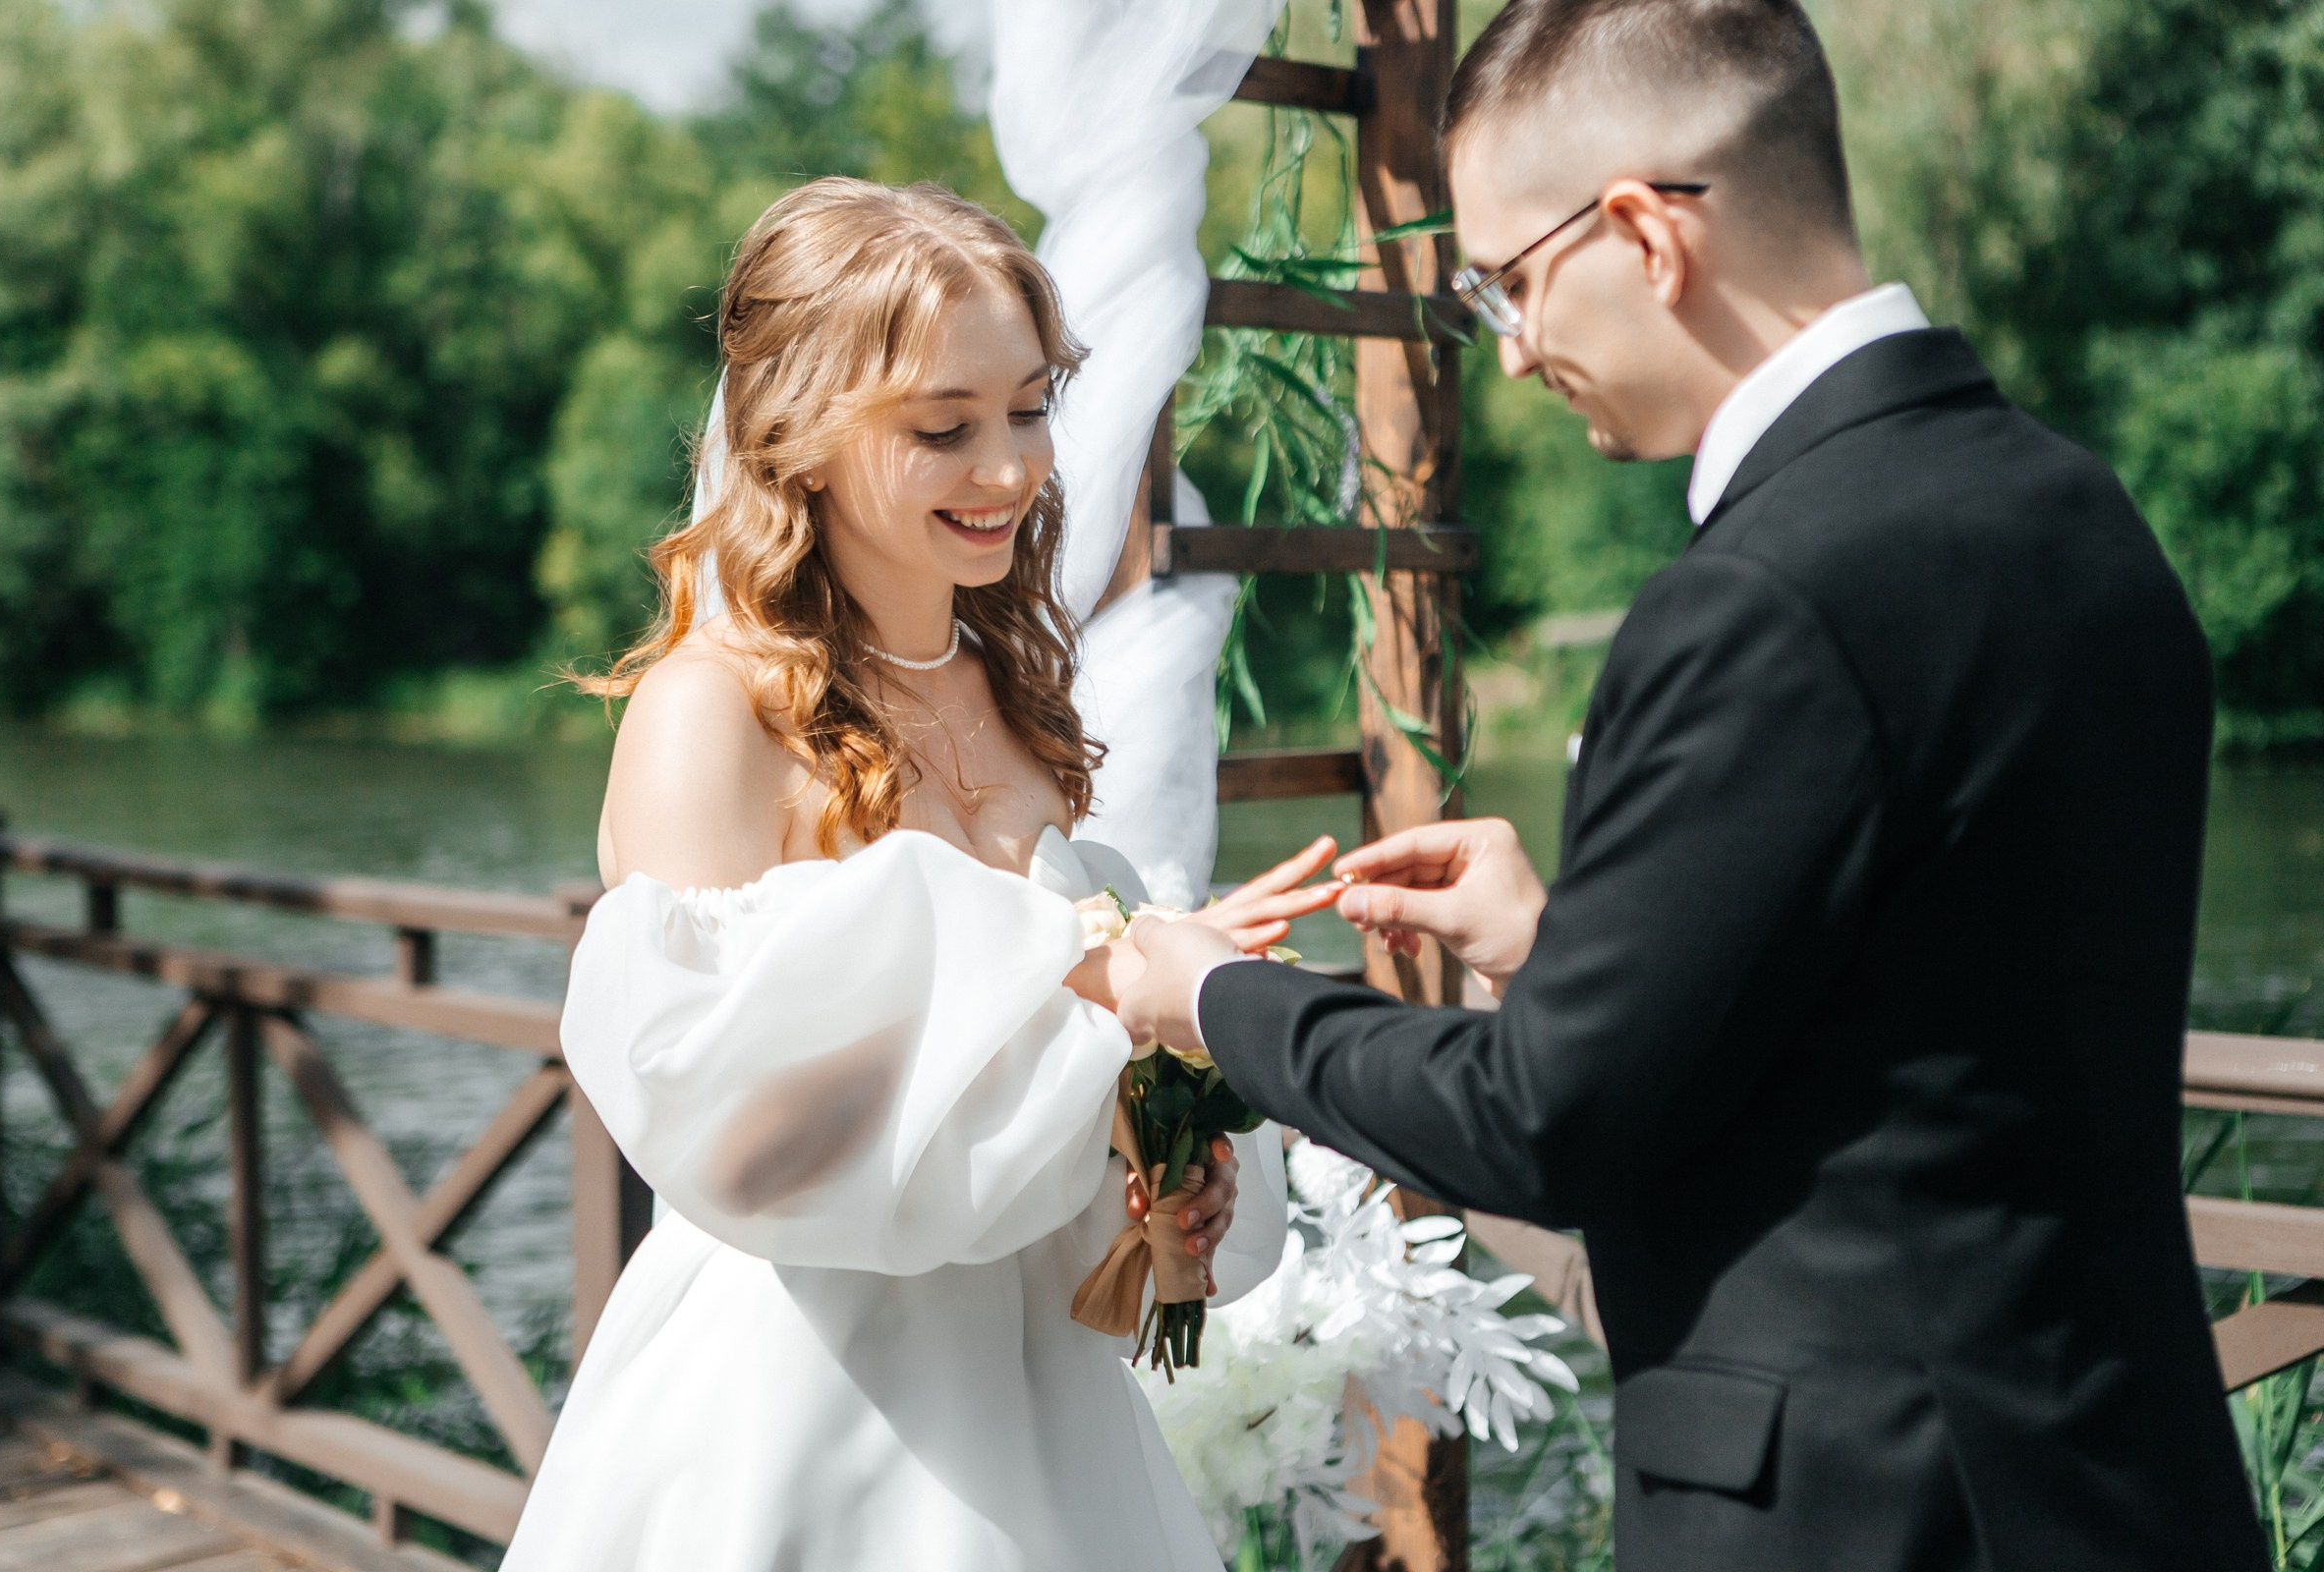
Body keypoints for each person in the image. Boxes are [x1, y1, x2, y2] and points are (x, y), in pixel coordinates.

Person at [1114, 1, 2270, 1567]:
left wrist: (1218, 1004)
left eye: (1510, 284)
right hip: (2118, 1480)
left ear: (1647, 232)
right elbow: (1946, 1011)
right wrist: (1580, 942)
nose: (1514, 352)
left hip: (1862, 1512)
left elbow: (1545, 1125)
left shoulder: (1763, 594)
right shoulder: (2081, 520)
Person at [500, 179, 1326, 1572]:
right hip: (796, 1416)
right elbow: (725, 1129)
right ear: (801, 439)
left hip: (1045, 1430)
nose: (1008, 469)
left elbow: (1011, 1126)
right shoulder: (714, 713)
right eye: (943, 427)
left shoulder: (1020, 705)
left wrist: (1152, 1175)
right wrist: (1088, 982)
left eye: (1028, 407)